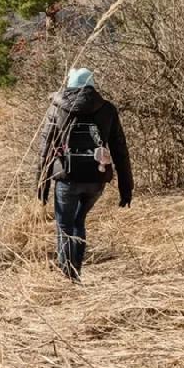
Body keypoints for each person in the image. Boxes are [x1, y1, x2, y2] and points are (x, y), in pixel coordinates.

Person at [37, 68, 133, 282]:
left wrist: (41, 188)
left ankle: (68, 275)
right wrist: (126, 188)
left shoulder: (56, 108)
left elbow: (45, 150)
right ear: (92, 84)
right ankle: (76, 271)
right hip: (97, 178)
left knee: (64, 225)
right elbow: (120, 150)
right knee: (79, 222)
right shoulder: (107, 109)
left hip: (66, 177)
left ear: (69, 84)